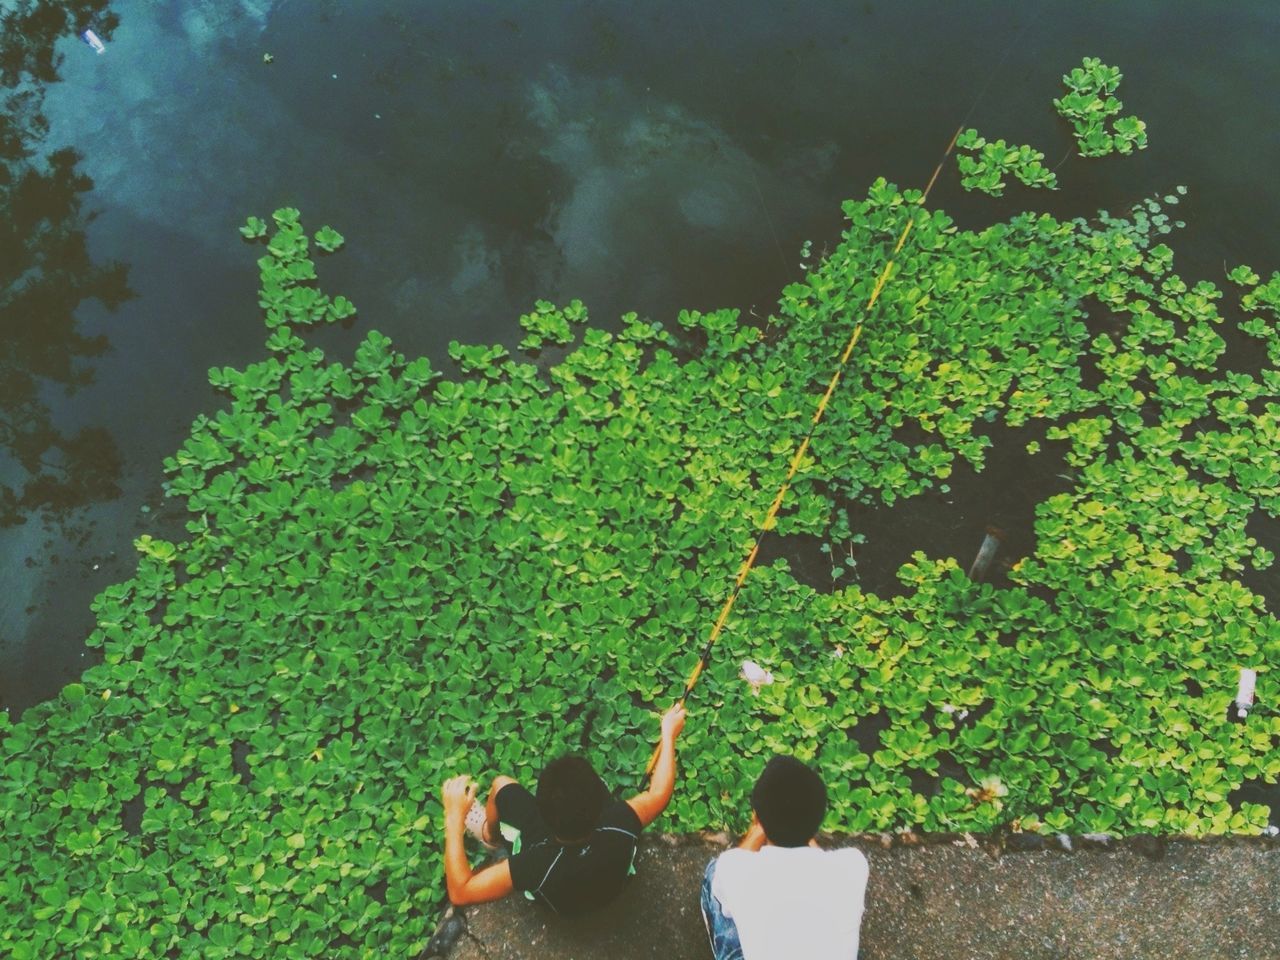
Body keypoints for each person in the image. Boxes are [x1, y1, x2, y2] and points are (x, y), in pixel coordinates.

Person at [440, 703, 686, 914]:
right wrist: (668, 735)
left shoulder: (534, 864)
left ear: (541, 813)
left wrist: (454, 817)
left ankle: (489, 834)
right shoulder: (620, 821)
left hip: (559, 905)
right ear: (600, 803)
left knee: (502, 784)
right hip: (611, 889)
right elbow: (659, 793)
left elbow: (461, 892)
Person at [701, 754, 870, 959]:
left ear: (756, 817)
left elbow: (732, 864)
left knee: (713, 872)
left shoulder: (734, 869)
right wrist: (797, 827)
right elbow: (818, 855)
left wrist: (759, 829)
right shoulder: (853, 865)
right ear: (818, 819)